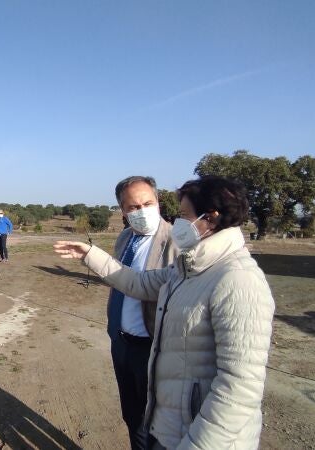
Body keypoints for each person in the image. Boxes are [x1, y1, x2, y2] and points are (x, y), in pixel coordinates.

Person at [54, 176, 275, 450]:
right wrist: (90, 254)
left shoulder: (239, 280)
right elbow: (139, 283)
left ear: (211, 217)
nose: (178, 221)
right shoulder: (189, 267)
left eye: (184, 215)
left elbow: (239, 389)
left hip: (199, 435)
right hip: (172, 421)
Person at [107, 176, 178, 450]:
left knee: (157, 423)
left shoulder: (176, 241)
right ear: (123, 211)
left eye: (148, 203)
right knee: (132, 416)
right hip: (121, 343)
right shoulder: (125, 237)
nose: (142, 211)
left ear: (158, 202)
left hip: (154, 348)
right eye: (134, 207)